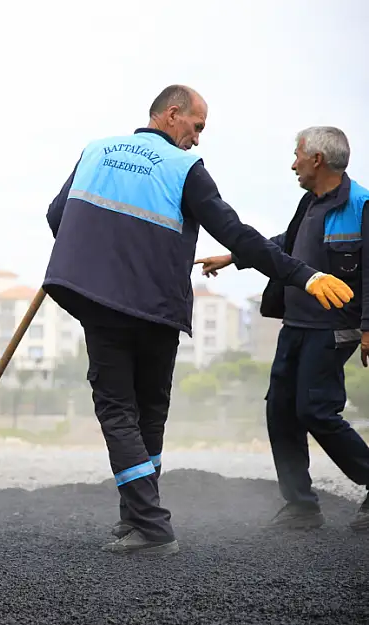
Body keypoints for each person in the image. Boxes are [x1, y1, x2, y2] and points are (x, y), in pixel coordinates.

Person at [44, 85, 354, 556]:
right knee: (148, 412)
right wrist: (304, 276)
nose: (197, 138)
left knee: (116, 411)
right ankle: (137, 519)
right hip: (158, 310)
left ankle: (149, 524)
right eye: (197, 126)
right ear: (173, 115)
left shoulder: (95, 151)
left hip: (104, 304)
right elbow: (236, 233)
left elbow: (57, 215)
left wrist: (96, 255)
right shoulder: (184, 169)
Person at [196, 126, 369, 532]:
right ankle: (301, 506)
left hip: (333, 327)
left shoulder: (361, 205)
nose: (293, 163)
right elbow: (284, 244)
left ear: (317, 160)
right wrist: (233, 257)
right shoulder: (309, 203)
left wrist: (367, 330)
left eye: (297, 155)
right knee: (279, 410)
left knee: (315, 409)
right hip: (296, 324)